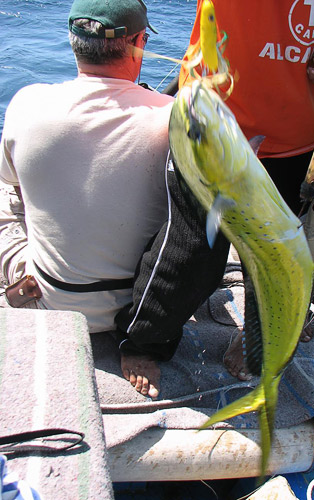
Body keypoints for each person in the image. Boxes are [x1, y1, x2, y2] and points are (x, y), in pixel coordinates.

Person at [0, 0, 230, 398]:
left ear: (73, 42)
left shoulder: (26, 103)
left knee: (10, 191)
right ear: (139, 43)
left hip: (53, 300)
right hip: (133, 307)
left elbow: (17, 187)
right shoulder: (174, 116)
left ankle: (20, 273)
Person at [179, 0, 314, 379]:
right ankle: (154, 322)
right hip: (211, 126)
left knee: (279, 251)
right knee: (190, 245)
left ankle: (269, 326)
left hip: (297, 135)